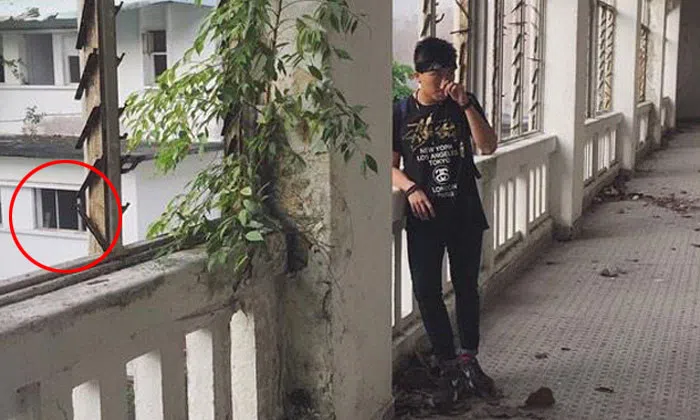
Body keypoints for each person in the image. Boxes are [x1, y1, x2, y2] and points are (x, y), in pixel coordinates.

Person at [392, 37, 500, 402]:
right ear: (417, 75)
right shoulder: (401, 111)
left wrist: (466, 104)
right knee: (426, 291)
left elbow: (488, 146)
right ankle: (448, 364)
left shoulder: (462, 104)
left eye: (449, 72)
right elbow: (390, 166)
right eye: (436, 74)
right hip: (425, 217)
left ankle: (469, 359)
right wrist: (410, 188)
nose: (444, 81)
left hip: (464, 211)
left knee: (467, 286)